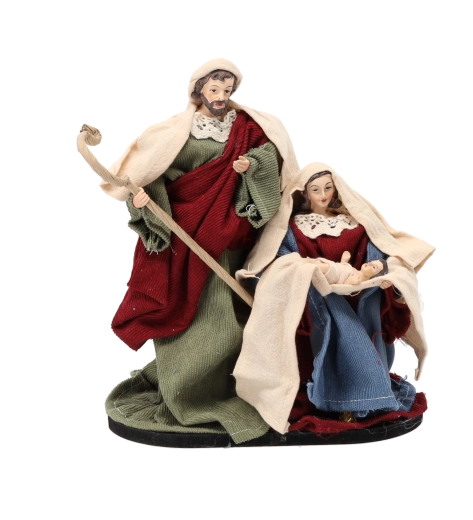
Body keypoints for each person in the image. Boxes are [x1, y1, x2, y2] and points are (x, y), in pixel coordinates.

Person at [101, 57, 299, 445]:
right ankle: (190, 395)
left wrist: (252, 164)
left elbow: (270, 158)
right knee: (197, 320)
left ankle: (235, 386)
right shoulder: (177, 131)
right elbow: (153, 173)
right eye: (214, 89)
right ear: (199, 90)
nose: (221, 96)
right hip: (184, 236)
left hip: (229, 237)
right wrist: (143, 199)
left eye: (228, 90)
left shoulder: (247, 127)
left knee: (236, 318)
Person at [233, 161, 436, 435]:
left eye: (328, 188)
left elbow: (378, 252)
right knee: (329, 321)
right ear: (305, 193)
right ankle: (334, 398)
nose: (323, 195)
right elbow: (280, 261)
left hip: (359, 296)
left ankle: (363, 396)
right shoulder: (293, 228)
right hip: (315, 297)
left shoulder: (354, 225)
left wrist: (377, 270)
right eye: (316, 190)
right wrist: (313, 270)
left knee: (365, 316)